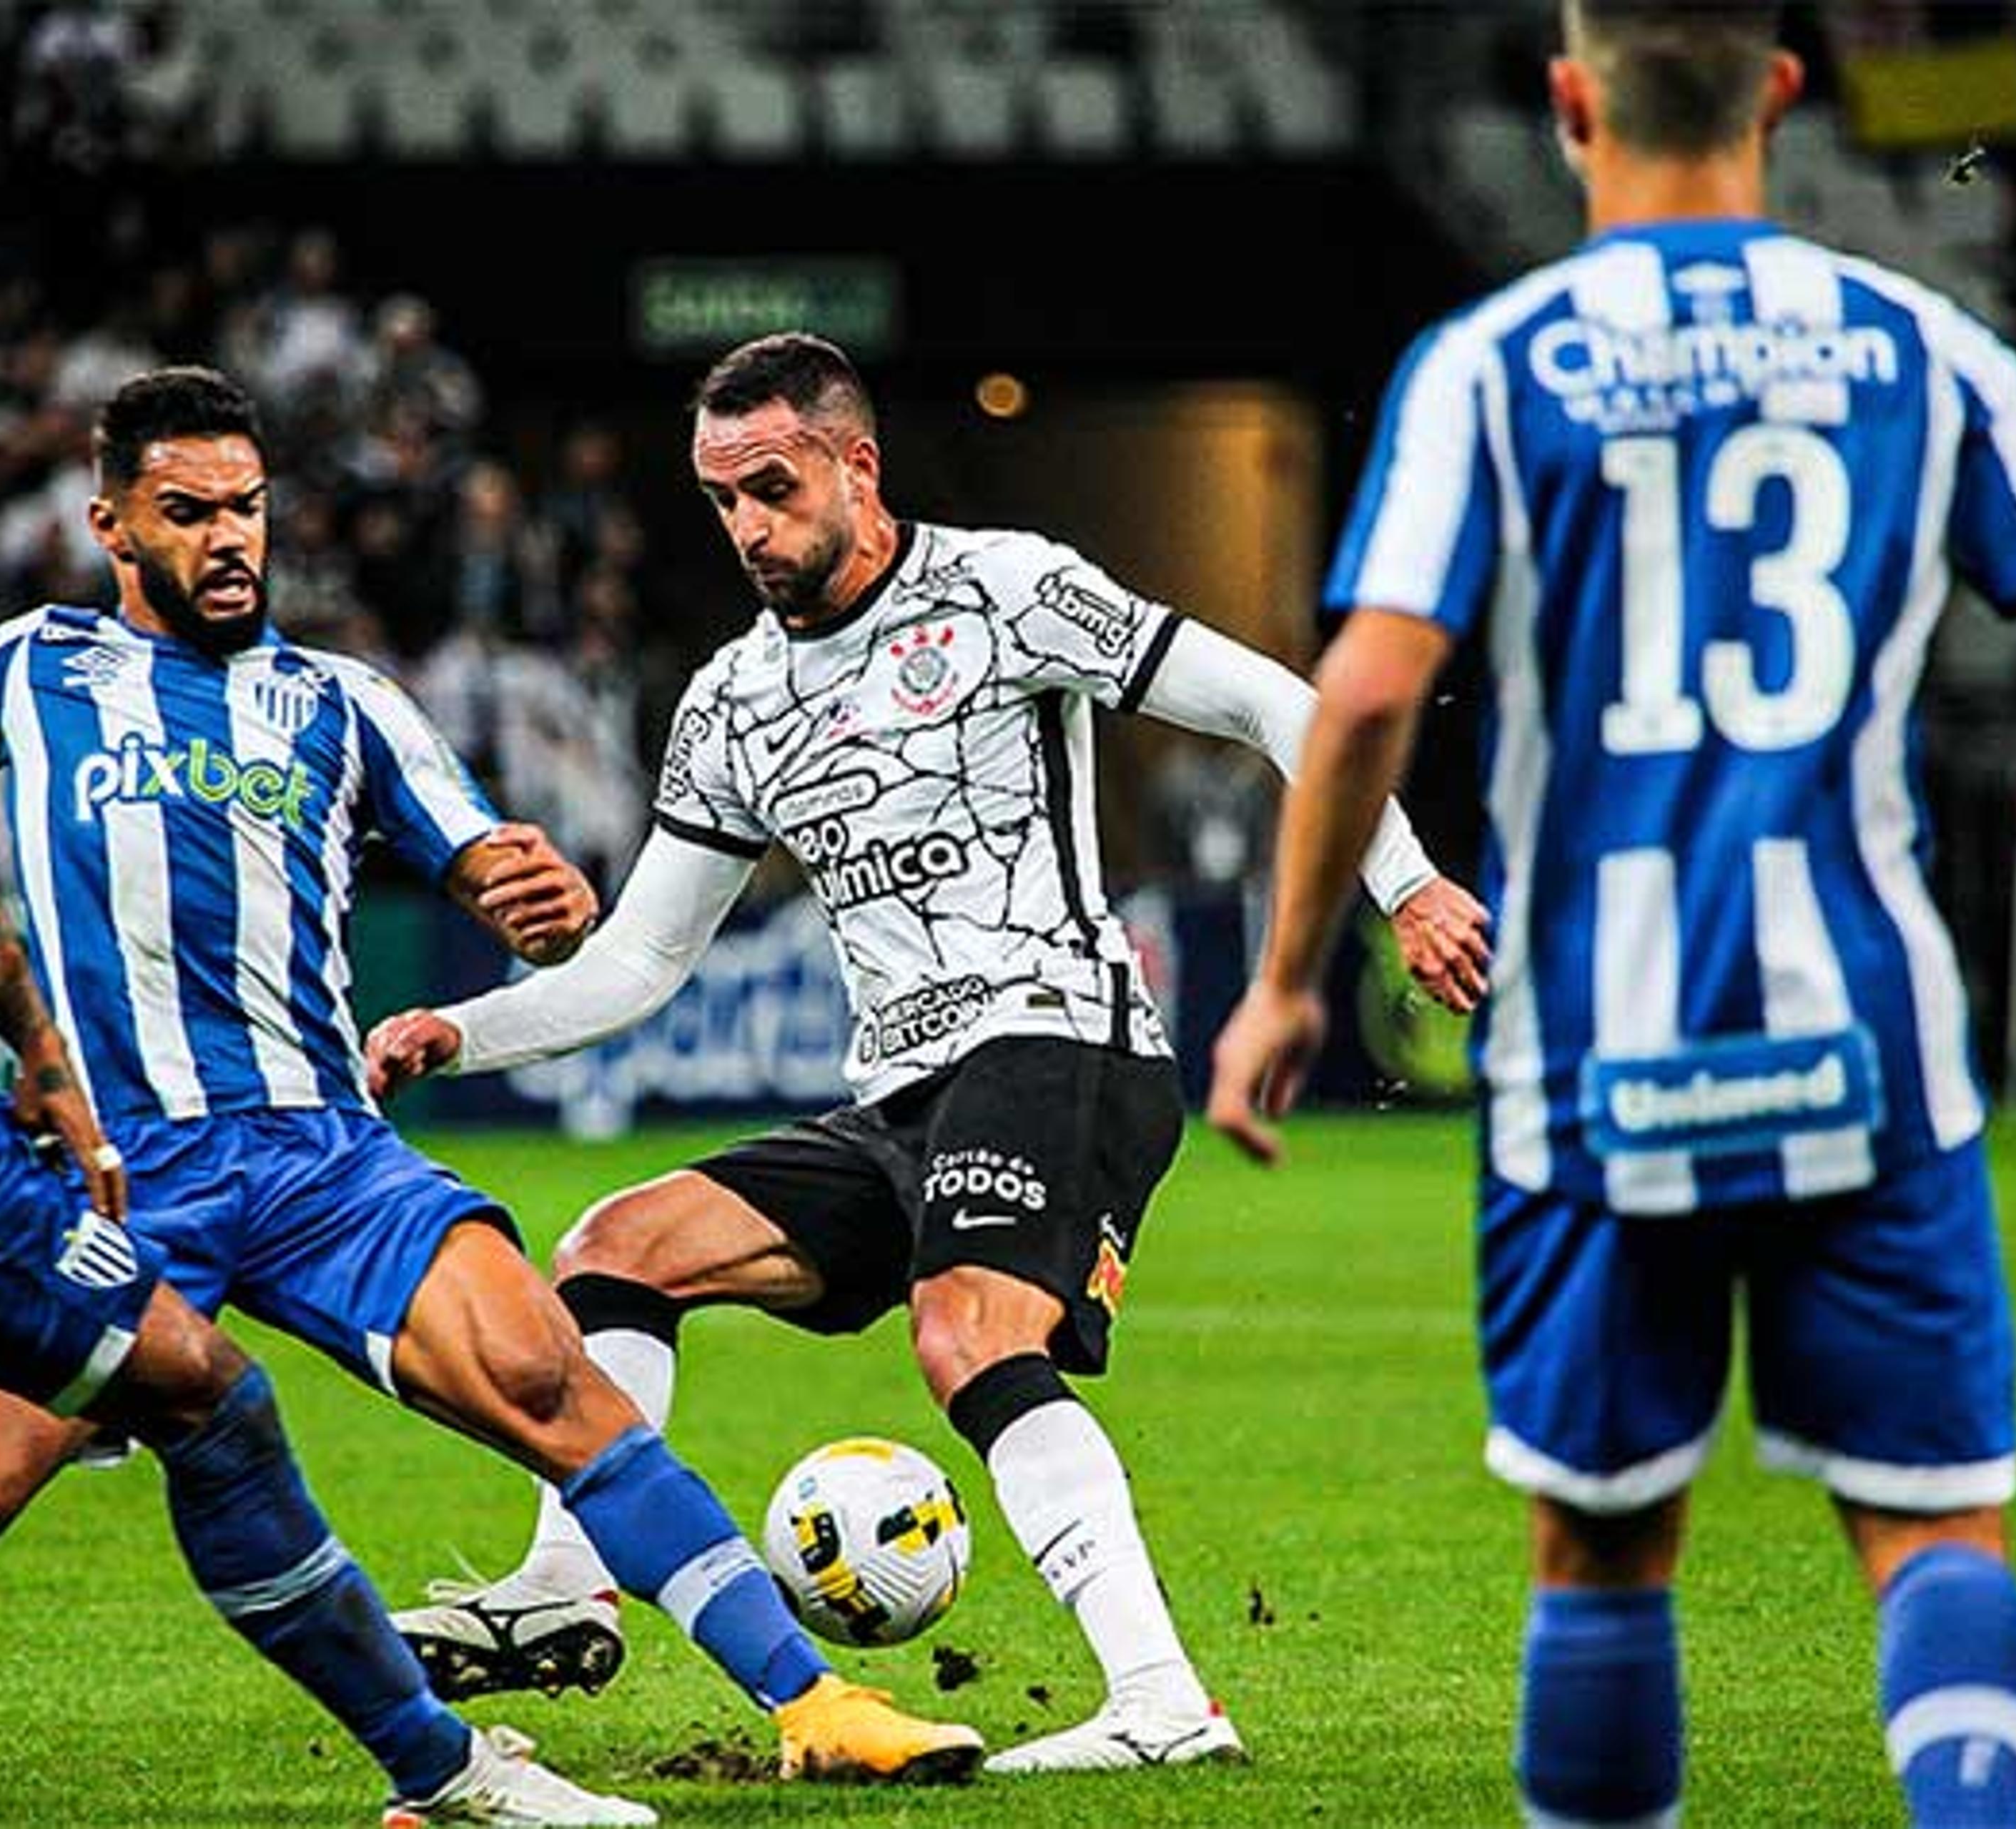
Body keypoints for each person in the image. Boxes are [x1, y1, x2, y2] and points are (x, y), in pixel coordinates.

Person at [0, 355, 980, 1813]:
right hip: (121, 1177)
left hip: (325, 1155)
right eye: (188, 510)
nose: (229, 538)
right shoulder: (26, 669)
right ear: (112, 524)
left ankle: (815, 1701)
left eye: (247, 507)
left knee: (543, 1375)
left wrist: (539, 902)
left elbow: (489, 860)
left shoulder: (345, 703)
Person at [1205, 8, 2016, 1827]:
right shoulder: (1926, 347)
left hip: (1598, 1062)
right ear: (1784, 90)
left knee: (1602, 1551)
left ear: (1567, 98)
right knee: (1934, 1530)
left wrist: (1291, 980)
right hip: (1868, 1048)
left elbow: (1365, 697)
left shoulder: (1488, 364)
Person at [366, 331, 1495, 1773]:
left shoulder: (1004, 589)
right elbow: (640, 963)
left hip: (1059, 1028)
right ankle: (565, 1582)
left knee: (967, 1326)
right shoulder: (730, 703)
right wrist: (460, 1029)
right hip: (896, 1097)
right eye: (719, 499)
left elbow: (1279, 703)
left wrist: (1407, 884)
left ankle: (1162, 1701)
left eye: (771, 487)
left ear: (858, 464)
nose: (746, 527)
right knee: (615, 1243)